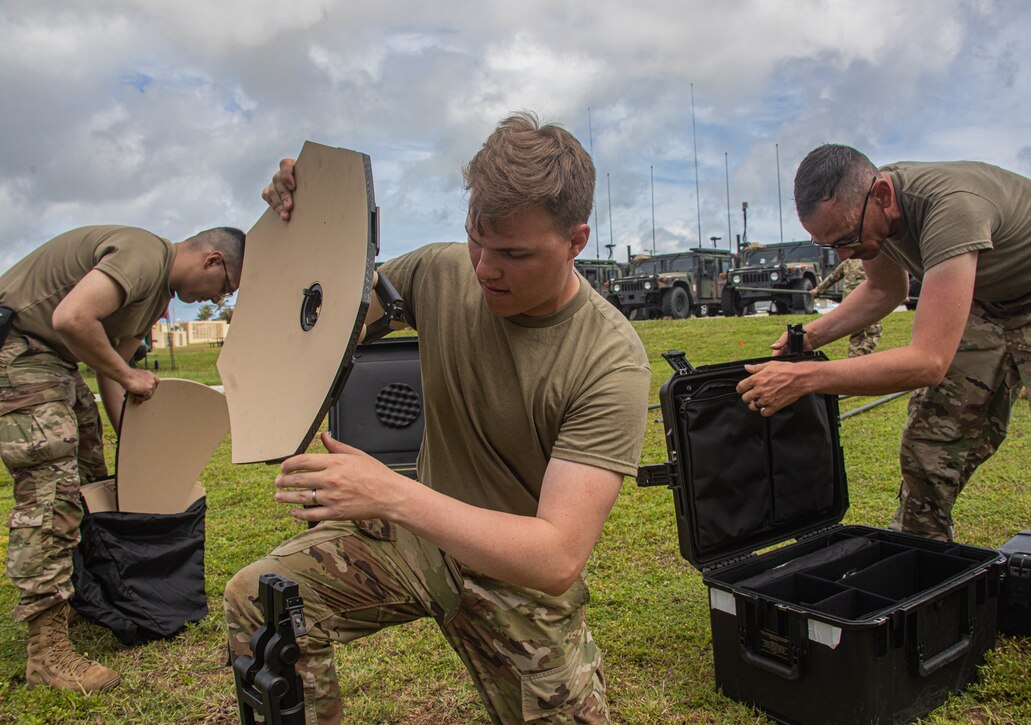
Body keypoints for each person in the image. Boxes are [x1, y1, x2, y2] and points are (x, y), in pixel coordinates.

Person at [223, 113, 651, 724]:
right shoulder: (439, 271)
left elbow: (556, 556)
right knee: (260, 603)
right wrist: (302, 229)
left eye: (514, 253)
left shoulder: (608, 360)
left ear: (577, 242)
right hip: (417, 541)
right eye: (476, 238)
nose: (484, 268)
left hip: (512, 575)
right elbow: (318, 311)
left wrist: (389, 494)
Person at [735, 143, 1031, 614]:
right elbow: (885, 288)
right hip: (990, 301)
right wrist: (812, 336)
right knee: (928, 449)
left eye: (847, 237)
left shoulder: (951, 207)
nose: (845, 252)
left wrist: (807, 380)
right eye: (830, 245)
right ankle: (926, 597)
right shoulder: (873, 217)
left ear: (881, 194)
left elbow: (928, 361)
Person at [0, 224, 245, 691]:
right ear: (213, 260)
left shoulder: (155, 296)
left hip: (55, 359)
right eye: (226, 285)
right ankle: (46, 653)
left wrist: (134, 447)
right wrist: (128, 376)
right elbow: (73, 319)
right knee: (53, 494)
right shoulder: (144, 254)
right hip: (21, 351)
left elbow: (113, 370)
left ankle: (80, 599)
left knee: (93, 482)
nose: (218, 295)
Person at [810, 257, 882, 357]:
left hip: (849, 304)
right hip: (866, 301)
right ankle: (862, 352)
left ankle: (853, 360)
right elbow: (885, 278)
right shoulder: (871, 261)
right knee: (874, 332)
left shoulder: (847, 262)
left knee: (856, 335)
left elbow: (833, 277)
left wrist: (818, 289)